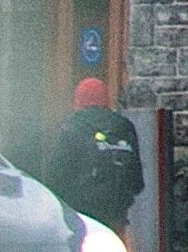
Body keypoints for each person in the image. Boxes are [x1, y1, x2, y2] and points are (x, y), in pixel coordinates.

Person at [45, 75, 143, 237]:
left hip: (82, 216)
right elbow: (137, 180)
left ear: (78, 100)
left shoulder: (72, 128)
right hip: (116, 214)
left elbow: (55, 176)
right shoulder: (124, 127)